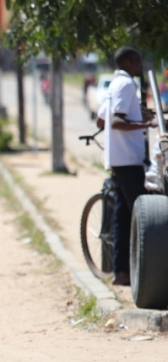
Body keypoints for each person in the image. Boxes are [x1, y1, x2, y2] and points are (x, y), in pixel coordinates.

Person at [95, 47, 157, 286]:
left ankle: (121, 273)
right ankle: (147, 274)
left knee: (123, 215)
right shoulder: (128, 84)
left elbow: (102, 119)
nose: (140, 64)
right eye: (139, 60)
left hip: (117, 159)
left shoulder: (114, 84)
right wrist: (146, 124)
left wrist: (143, 114)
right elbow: (116, 121)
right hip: (129, 159)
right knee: (144, 218)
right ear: (131, 61)